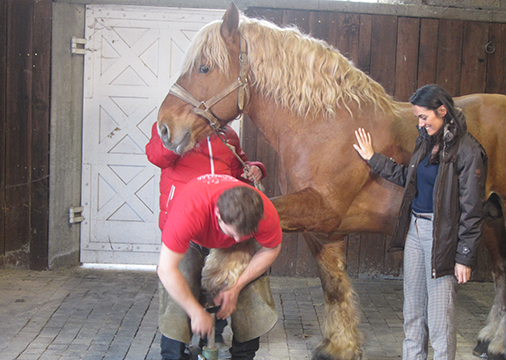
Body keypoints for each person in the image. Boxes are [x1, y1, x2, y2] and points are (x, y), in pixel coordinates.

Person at [353, 84, 488, 360]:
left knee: (440, 320)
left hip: (442, 237)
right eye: (418, 117)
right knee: (413, 313)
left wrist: (464, 256)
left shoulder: (468, 150)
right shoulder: (427, 141)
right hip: (415, 231)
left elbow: (472, 210)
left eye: (423, 117)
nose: (420, 123)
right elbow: (408, 178)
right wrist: (373, 159)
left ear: (442, 110)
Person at [145, 122, 266, 359]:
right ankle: (174, 352)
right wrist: (184, 134)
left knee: (234, 283)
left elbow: (238, 162)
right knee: (182, 279)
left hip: (223, 225)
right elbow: (156, 156)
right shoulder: (171, 126)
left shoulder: (227, 134)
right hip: (186, 221)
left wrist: (253, 168)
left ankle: (225, 342)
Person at [157, 174, 282, 360]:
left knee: (252, 287)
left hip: (232, 244)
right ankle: (173, 355)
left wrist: (236, 286)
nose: (238, 238)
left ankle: (243, 356)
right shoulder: (189, 211)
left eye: (244, 234)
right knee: (183, 277)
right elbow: (166, 270)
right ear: (218, 215)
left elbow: (271, 248)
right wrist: (195, 311)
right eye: (233, 233)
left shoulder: (263, 212)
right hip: (193, 238)